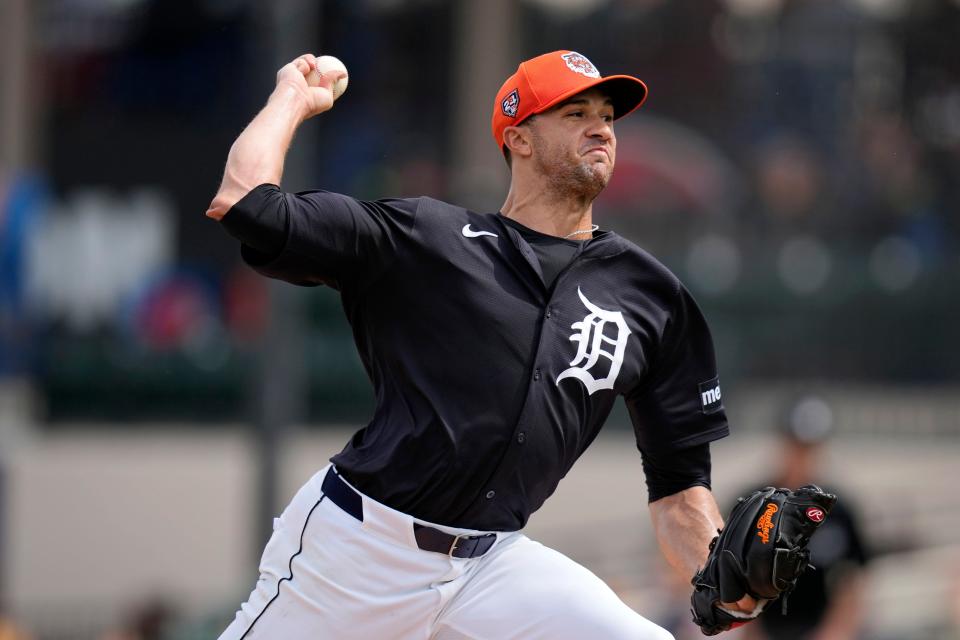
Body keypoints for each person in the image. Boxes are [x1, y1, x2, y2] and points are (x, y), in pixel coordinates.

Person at [208, 50, 756, 640]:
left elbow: (680, 492)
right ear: (518, 138)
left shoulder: (654, 298)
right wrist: (291, 96)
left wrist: (728, 581)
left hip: (491, 568)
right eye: (575, 113)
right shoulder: (427, 239)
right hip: (360, 550)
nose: (600, 126)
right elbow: (246, 204)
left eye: (607, 115)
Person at [739, 396, 870, 640]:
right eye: (796, 446)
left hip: (819, 630)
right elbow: (732, 578)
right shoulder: (752, 505)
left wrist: (832, 634)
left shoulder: (839, 511)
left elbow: (852, 583)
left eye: (810, 448)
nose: (802, 456)